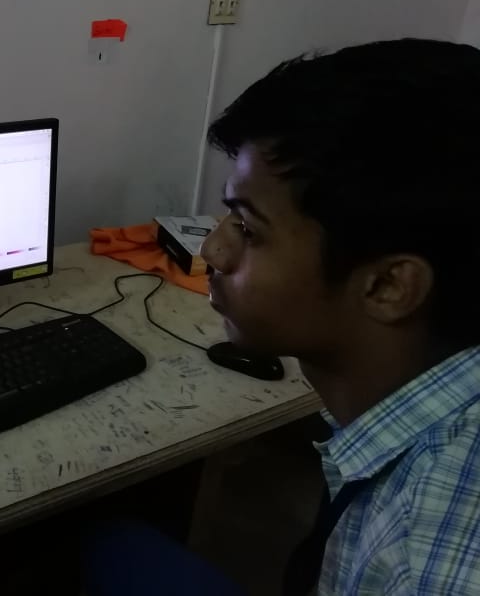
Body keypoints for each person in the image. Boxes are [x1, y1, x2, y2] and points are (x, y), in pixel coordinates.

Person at [83, 39, 480, 595]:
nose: (213, 251)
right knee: (118, 543)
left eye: (248, 229)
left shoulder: (423, 565)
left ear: (389, 286)